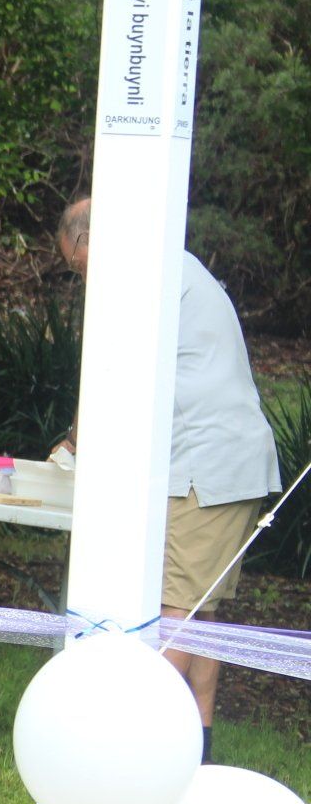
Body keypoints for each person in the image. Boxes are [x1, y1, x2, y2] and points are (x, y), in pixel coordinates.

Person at [56, 198, 280, 761]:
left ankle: (134, 752)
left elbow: (109, 375)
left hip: (209, 467)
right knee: (200, 614)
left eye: (78, 267)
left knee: (176, 611)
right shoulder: (169, 265)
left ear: (90, 240)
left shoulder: (142, 277)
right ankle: (196, 751)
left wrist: (74, 443)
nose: (83, 280)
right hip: (224, 464)